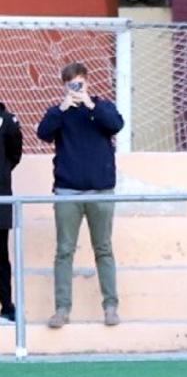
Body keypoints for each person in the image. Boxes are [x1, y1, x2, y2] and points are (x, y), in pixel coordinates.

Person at [36, 63, 125, 328]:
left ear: (87, 82)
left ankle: (110, 306)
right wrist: (64, 107)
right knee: (64, 251)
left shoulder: (102, 107)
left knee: (104, 249)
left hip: (101, 190)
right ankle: (62, 309)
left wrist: (89, 104)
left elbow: (116, 124)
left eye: (79, 83)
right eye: (70, 84)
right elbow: (43, 133)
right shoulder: (59, 113)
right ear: (64, 85)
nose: (75, 88)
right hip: (68, 191)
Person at [0, 101, 22, 322]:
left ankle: (6, 307)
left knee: (0, 255)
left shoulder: (7, 120)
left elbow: (14, 155)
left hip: (0, 195)